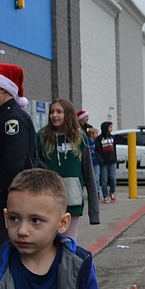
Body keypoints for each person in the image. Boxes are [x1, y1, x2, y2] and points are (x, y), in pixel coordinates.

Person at [0, 62, 39, 246]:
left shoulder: (12, 120)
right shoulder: (2, 116)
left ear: (3, 89)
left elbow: (13, 168)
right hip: (7, 204)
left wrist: (1, 205)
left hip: (14, 206)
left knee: (12, 260)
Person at [38, 98, 100, 241]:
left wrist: (94, 213)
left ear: (69, 114)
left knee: (68, 245)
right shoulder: (41, 137)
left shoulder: (80, 137)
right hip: (47, 201)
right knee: (48, 245)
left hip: (72, 200)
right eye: (52, 112)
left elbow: (89, 176)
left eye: (59, 112)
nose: (54, 115)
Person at [95, 121, 118, 203]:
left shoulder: (113, 137)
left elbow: (114, 149)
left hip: (112, 161)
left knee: (113, 178)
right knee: (104, 180)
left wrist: (115, 159)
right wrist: (101, 161)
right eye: (110, 127)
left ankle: (112, 192)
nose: (111, 128)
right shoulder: (99, 139)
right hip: (103, 162)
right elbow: (97, 151)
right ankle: (105, 195)